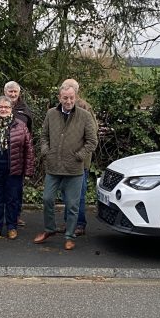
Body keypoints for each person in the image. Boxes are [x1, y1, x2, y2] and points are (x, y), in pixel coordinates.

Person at [33, 81, 97, 250]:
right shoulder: (51, 114)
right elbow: (44, 136)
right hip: (53, 167)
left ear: (76, 97)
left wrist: (79, 156)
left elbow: (92, 141)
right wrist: (46, 151)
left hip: (74, 169)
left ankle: (69, 236)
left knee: (73, 204)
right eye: (65, 98)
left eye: (71, 98)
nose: (68, 101)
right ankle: (50, 229)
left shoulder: (84, 115)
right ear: (59, 98)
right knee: (47, 199)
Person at [0, 96, 34, 240]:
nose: (3, 109)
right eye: (0, 107)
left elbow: (29, 149)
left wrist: (28, 170)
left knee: (12, 199)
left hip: (14, 170)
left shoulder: (20, 126)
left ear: (11, 109)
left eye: (6, 107)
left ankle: (11, 227)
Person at [58, 78, 97, 237]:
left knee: (78, 194)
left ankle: (79, 224)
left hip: (80, 161)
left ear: (75, 91)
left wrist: (80, 154)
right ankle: (69, 222)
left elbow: (92, 134)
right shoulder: (60, 108)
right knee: (66, 193)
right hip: (64, 161)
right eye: (64, 89)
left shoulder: (84, 108)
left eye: (69, 89)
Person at [3, 81, 33, 227]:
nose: (13, 94)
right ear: (5, 92)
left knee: (16, 190)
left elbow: (30, 133)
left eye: (15, 91)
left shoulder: (25, 110)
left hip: (18, 157)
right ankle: (1, 217)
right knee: (0, 189)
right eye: (10, 91)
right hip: (1, 155)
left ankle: (15, 216)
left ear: (19, 93)